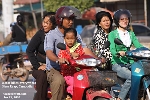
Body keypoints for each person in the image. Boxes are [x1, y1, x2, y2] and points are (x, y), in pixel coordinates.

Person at [44, 6, 99, 100]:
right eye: (69, 19)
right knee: (59, 81)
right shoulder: (51, 35)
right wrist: (58, 59)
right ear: (60, 20)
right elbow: (49, 52)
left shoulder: (75, 34)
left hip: (74, 67)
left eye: (72, 19)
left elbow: (84, 48)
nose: (71, 22)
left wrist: (97, 60)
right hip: (55, 69)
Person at [108, 9, 143, 100]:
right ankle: (120, 98)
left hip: (130, 62)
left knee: (143, 73)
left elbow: (139, 46)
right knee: (132, 76)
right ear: (117, 21)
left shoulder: (131, 34)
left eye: (126, 19)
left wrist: (146, 50)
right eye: (122, 19)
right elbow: (112, 49)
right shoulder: (113, 34)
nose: (125, 21)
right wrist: (118, 53)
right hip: (117, 63)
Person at [26, 12, 56, 100]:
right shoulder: (40, 34)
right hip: (41, 66)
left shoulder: (59, 35)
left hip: (56, 66)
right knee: (43, 76)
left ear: (54, 24)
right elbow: (29, 50)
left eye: (47, 23)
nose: (44, 25)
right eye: (44, 22)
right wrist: (37, 66)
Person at [58, 28, 85, 96]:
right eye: (67, 38)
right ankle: (70, 94)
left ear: (76, 38)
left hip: (79, 74)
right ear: (64, 39)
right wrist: (68, 58)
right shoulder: (63, 49)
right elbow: (61, 59)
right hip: (68, 75)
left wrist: (78, 56)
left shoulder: (79, 48)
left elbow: (83, 56)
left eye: (72, 38)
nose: (70, 41)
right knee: (74, 84)